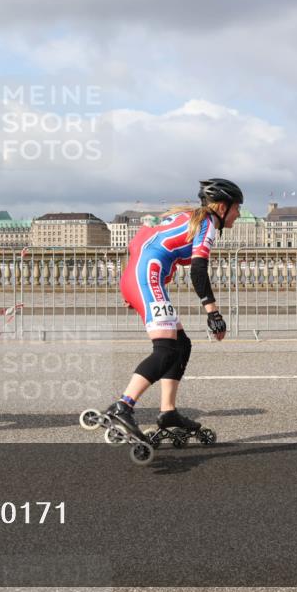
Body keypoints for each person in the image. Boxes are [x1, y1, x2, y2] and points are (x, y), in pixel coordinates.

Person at [103, 178, 243, 442]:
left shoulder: (186, 215)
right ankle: (123, 406)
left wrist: (131, 284)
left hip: (141, 275)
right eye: (237, 208)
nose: (238, 214)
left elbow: (144, 240)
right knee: (166, 350)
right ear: (223, 207)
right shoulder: (208, 223)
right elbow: (198, 269)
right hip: (147, 276)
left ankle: (168, 411)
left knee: (181, 344)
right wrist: (213, 313)